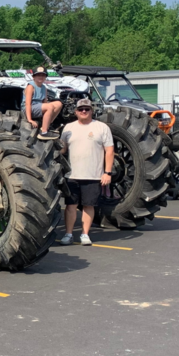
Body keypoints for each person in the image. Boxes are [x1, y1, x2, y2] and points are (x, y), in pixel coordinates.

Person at [59, 98, 114, 246]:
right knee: (70, 205)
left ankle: (85, 234)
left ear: (91, 111)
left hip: (93, 174)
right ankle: (69, 234)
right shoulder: (68, 128)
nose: (84, 111)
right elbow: (63, 150)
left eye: (87, 109)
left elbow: (109, 151)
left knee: (88, 205)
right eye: (81, 109)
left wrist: (107, 173)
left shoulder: (102, 127)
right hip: (71, 174)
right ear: (76, 112)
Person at [25, 66, 63, 141]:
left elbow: (45, 103)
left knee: (59, 103)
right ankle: (44, 132)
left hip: (38, 107)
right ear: (34, 77)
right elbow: (27, 104)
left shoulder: (44, 88)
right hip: (30, 108)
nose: (41, 77)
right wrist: (29, 119)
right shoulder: (30, 86)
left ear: (45, 77)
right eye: (38, 75)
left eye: (43, 75)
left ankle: (45, 125)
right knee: (49, 107)